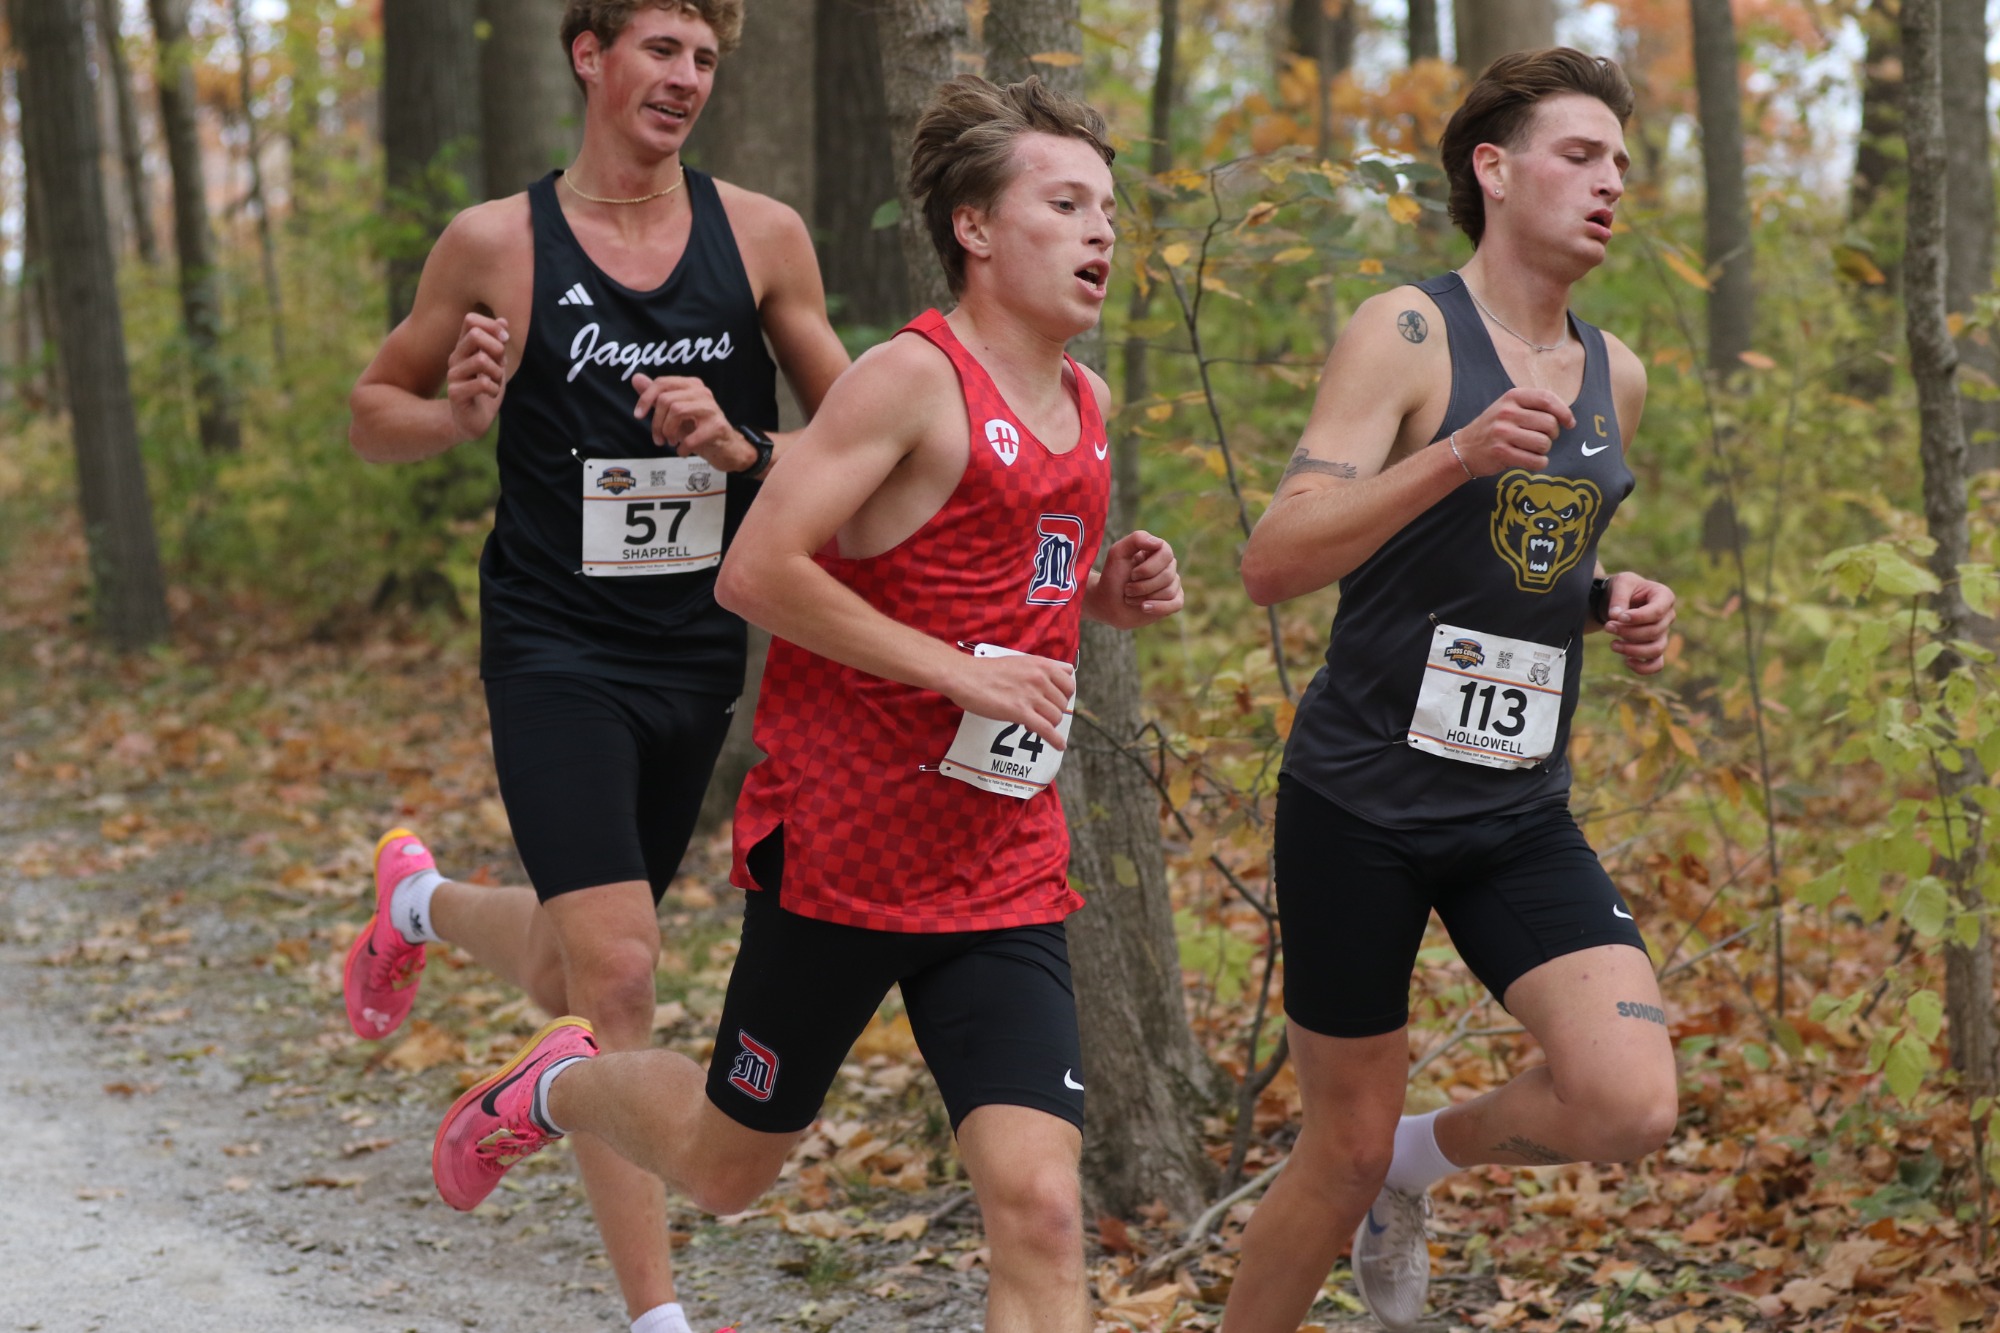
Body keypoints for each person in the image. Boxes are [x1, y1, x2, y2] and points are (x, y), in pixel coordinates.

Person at [426, 74, 1183, 1333]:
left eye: (1108, 206)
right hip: (845, 860)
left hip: (998, 868)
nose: (1102, 231)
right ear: (976, 230)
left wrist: (1105, 596)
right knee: (727, 1170)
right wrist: (957, 669)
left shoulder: (1086, 406)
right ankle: (558, 1086)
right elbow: (756, 570)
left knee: (1041, 1205)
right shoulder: (905, 380)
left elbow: (995, 592)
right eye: (1065, 203)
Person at [341, 3, 848, 1331]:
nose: (685, 79)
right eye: (661, 49)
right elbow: (369, 413)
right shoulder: (499, 245)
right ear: (589, 53)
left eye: (703, 59)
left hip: (695, 654)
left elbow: (859, 457)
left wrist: (742, 440)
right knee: (622, 977)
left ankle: (419, 906)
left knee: (576, 969)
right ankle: (658, 1317)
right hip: (553, 648)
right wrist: (454, 414)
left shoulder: (762, 239)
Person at [1225, 48, 1680, 1333]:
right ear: (1491, 167)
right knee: (1337, 1149)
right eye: (1580, 155)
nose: (1610, 185)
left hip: (1514, 811)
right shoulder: (1409, 330)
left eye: (1622, 165)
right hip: (1360, 803)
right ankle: (1375, 1176)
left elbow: (1528, 554)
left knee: (1629, 1099)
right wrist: (1452, 454)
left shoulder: (1615, 374)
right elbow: (1273, 560)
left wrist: (1611, 599)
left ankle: (1426, 1159)